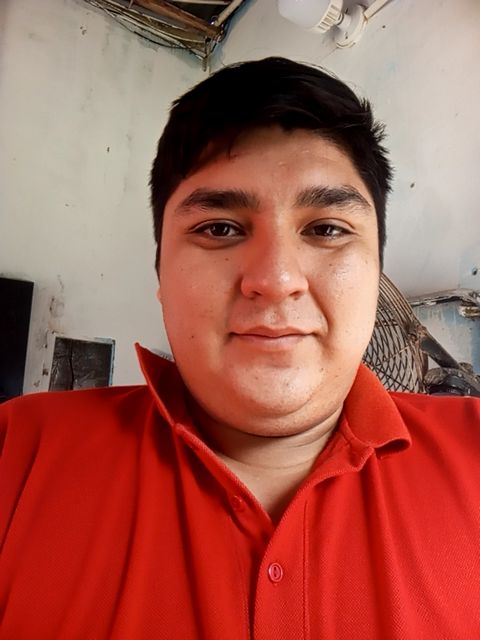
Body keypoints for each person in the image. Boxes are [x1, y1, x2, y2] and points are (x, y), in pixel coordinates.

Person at [1, 57, 480, 640]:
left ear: (377, 269)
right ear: (160, 273)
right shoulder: (16, 457)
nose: (276, 280)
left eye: (326, 229)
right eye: (220, 228)